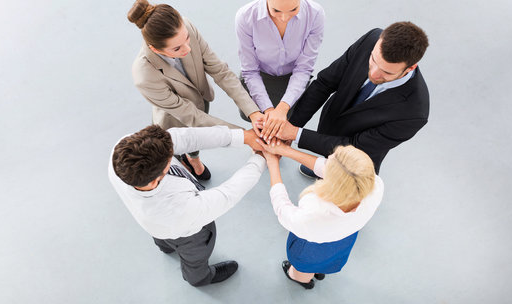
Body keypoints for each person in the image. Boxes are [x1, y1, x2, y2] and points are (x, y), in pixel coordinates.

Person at [108, 124, 266, 287]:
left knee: (162, 238)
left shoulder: (122, 151)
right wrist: (259, 159)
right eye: (170, 158)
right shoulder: (180, 210)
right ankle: (200, 278)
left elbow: (187, 138)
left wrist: (243, 137)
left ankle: (165, 247)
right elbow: (228, 194)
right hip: (187, 236)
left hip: (155, 225)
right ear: (155, 180)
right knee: (195, 257)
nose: (174, 148)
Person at [128, 0, 264, 181]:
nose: (187, 48)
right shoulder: (144, 75)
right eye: (177, 48)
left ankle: (194, 158)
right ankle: (186, 162)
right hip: (175, 118)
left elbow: (220, 71)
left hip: (200, 99)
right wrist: (245, 136)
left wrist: (253, 112)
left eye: (187, 39)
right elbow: (191, 116)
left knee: (199, 138)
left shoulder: (186, 27)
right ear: (154, 48)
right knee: (180, 145)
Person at [272, 21, 430, 174]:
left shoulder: (414, 113)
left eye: (387, 72)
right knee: (323, 163)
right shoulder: (371, 39)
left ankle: (326, 169)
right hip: (331, 124)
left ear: (410, 68)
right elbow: (325, 83)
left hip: (355, 160)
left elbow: (355, 148)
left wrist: (295, 133)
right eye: (373, 60)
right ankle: (323, 162)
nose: (373, 73)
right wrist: (288, 127)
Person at [257, 140, 384, 289]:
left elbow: (283, 209)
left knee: (302, 268)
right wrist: (285, 150)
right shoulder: (375, 184)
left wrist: (273, 164)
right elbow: (340, 174)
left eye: (329, 160)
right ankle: (320, 271)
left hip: (310, 248)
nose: (327, 158)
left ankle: (301, 280)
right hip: (344, 240)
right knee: (327, 262)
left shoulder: (315, 211)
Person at [235, 0, 325, 141]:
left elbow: (304, 68)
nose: (284, 17)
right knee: (262, 137)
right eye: (276, 10)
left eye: (293, 9)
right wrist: (268, 110)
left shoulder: (315, 14)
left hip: (293, 82)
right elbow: (250, 71)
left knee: (284, 138)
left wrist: (283, 108)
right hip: (259, 80)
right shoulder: (245, 17)